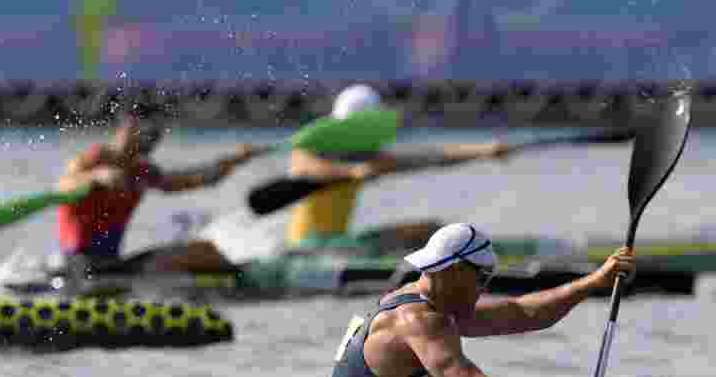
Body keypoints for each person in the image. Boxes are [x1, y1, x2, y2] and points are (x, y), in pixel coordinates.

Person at [329, 222, 636, 377]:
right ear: (455, 270)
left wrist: (595, 281)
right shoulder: (418, 321)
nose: (484, 287)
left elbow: (524, 313)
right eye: (483, 277)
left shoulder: (434, 304)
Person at [286, 84, 515, 253]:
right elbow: (306, 170)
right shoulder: (309, 151)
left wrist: (484, 151)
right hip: (306, 245)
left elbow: (428, 157)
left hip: (339, 241)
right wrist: (350, 172)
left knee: (429, 230)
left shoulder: (366, 158)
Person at [56, 104, 260, 274]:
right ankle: (243, 281)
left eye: (159, 131)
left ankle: (237, 277)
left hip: (112, 264)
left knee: (205, 251)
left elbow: (196, 179)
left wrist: (237, 160)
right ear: (130, 124)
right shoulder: (96, 158)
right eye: (152, 130)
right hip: (79, 265)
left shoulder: (141, 171)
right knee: (197, 255)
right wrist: (96, 176)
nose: (157, 137)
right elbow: (64, 185)